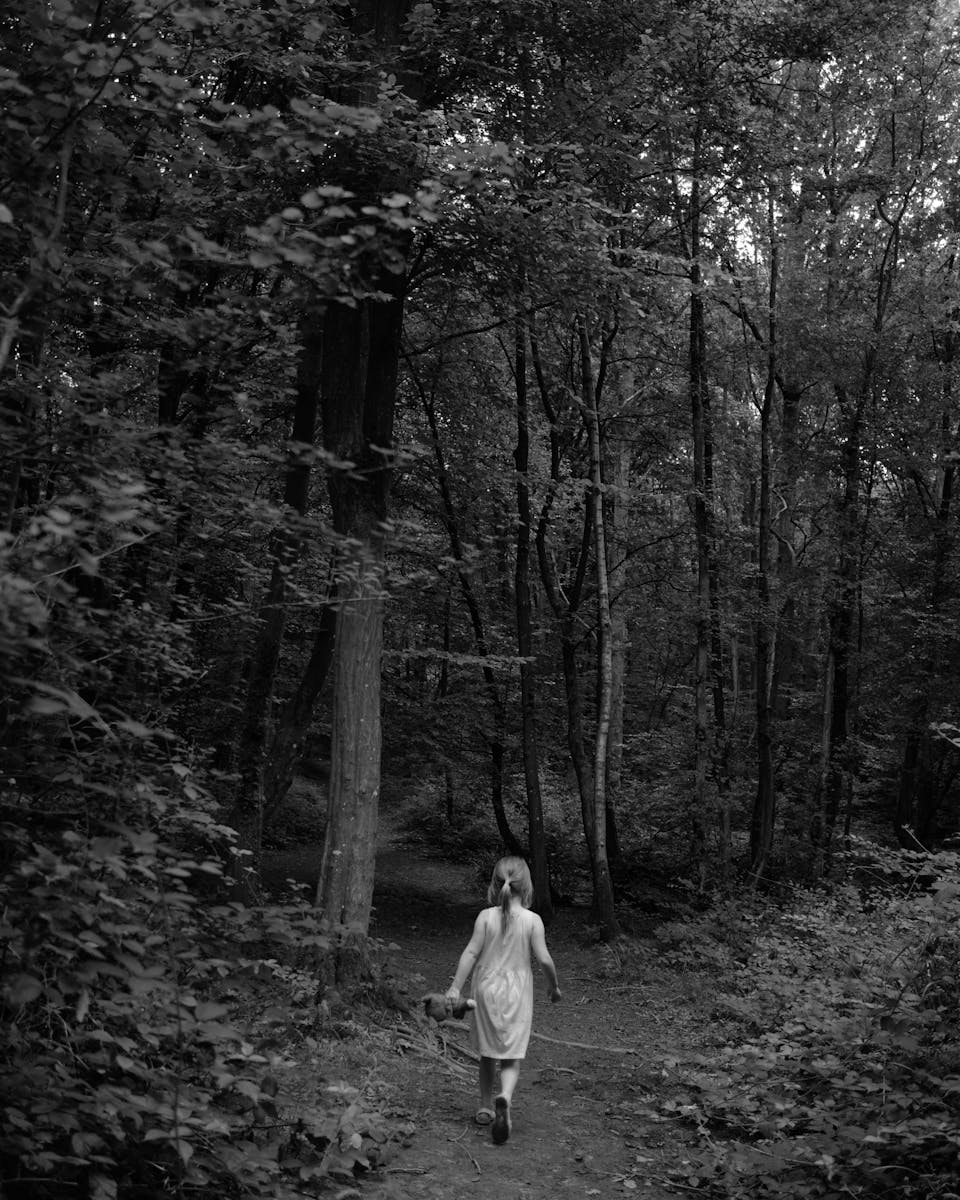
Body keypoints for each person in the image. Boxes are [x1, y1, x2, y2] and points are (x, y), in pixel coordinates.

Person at [445, 856, 561, 1145]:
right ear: (528, 886)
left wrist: (455, 987)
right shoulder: (533, 921)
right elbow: (544, 959)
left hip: (485, 988)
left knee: (487, 1052)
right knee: (511, 1054)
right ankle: (505, 1097)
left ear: (496, 885)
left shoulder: (485, 917)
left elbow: (471, 953)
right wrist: (554, 987)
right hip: (517, 993)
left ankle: (485, 1106)